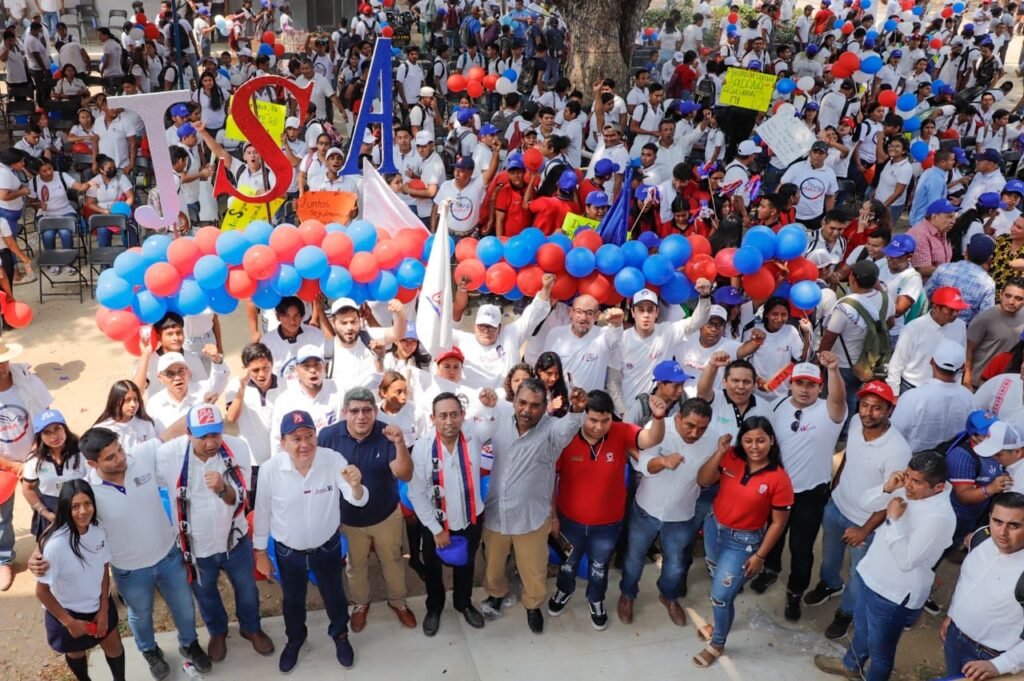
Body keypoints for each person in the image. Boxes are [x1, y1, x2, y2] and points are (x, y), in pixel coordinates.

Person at [815, 451, 955, 681]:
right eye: (907, 476)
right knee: (862, 627)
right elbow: (865, 503)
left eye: (916, 481)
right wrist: (887, 488)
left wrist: (892, 521)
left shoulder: (940, 518)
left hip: (893, 594)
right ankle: (851, 665)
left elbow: (906, 560)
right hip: (871, 574)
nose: (908, 484)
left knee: (880, 650)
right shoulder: (908, 490)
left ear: (938, 487)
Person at [156, 405, 273, 662]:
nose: (210, 443)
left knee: (247, 588)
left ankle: (251, 627)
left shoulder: (237, 448)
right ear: (188, 433)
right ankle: (218, 632)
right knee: (205, 593)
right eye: (202, 437)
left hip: (234, 539)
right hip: (196, 546)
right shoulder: (167, 455)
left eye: (215, 435)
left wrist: (222, 488)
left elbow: (240, 499)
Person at [253, 411, 366, 673]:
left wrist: (356, 485)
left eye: (309, 436)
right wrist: (260, 553)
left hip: (327, 548)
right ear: (283, 442)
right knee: (293, 600)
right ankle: (295, 640)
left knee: (335, 595)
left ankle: (340, 635)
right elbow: (262, 513)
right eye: (296, 439)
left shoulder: (332, 460)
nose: (304, 444)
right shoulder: (270, 470)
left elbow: (356, 498)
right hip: (288, 552)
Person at [549, 389, 667, 629]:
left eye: (605, 420)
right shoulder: (566, 437)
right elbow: (551, 480)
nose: (599, 427)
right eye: (593, 420)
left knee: (599, 567)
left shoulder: (621, 432)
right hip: (570, 521)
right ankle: (564, 590)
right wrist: (553, 516)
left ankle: (596, 599)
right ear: (583, 416)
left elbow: (651, 439)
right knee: (568, 564)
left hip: (608, 524)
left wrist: (658, 417)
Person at [804, 381, 912, 641]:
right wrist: (835, 487)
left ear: (889, 411)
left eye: (877, 408)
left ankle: (847, 612)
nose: (868, 413)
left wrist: (864, 530)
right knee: (830, 555)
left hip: (864, 523)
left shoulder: (898, 451)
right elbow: (847, 458)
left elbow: (894, 499)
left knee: (858, 572)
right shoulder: (854, 422)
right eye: (864, 405)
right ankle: (830, 584)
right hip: (837, 506)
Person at [479, 380, 588, 633]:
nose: (527, 410)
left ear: (544, 406)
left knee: (534, 569)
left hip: (531, 517)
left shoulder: (551, 431)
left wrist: (576, 410)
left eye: (535, 405)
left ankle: (533, 605)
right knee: (494, 564)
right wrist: (485, 405)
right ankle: (496, 594)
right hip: (496, 513)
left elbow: (569, 427)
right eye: (522, 403)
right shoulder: (500, 420)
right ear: (514, 401)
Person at [692, 416, 794, 668]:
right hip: (714, 528)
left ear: (771, 441)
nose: (754, 446)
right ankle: (719, 622)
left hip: (743, 542)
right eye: (748, 440)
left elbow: (778, 523)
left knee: (720, 595)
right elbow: (703, 480)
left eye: (761, 440)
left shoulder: (779, 479)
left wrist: (760, 556)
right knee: (717, 581)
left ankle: (717, 643)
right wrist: (719, 452)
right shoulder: (731, 457)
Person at [755, 355, 846, 622]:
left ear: (820, 387)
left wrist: (833, 369)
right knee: (773, 537)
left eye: (811, 384)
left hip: (811, 494)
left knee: (801, 547)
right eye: (799, 383)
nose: (805, 390)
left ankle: (795, 593)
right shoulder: (777, 406)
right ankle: (770, 571)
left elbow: (839, 398)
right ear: (791, 384)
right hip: (778, 491)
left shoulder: (831, 411)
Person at [317, 387, 416, 632]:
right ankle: (360, 604)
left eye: (367, 410)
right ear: (344, 412)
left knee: (392, 561)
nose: (361, 416)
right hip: (348, 519)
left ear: (374, 411)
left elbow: (404, 474)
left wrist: (400, 443)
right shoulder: (328, 437)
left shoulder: (387, 434)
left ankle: (398, 602)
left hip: (386, 515)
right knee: (355, 566)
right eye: (354, 411)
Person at [618, 397, 718, 624]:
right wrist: (663, 462)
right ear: (678, 417)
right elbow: (644, 465)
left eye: (701, 428)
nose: (695, 433)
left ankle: (669, 596)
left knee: (675, 564)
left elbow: (708, 479)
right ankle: (628, 595)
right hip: (646, 510)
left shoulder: (713, 440)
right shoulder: (659, 429)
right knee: (634, 557)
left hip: (681, 515)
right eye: (690, 425)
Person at [408, 389, 498, 636]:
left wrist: (488, 408)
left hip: (471, 519)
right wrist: (436, 530)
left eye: (454, 414)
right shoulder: (423, 448)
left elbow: (489, 427)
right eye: (443, 416)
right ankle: (434, 608)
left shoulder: (472, 436)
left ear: (462, 415)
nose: (449, 421)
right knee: (433, 568)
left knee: (466, 564)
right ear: (433, 418)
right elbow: (416, 493)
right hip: (435, 523)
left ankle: (463, 603)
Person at [35, 480, 126, 681]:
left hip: (99, 604)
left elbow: (103, 568)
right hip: (68, 611)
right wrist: (69, 622)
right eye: (75, 506)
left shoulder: (98, 530)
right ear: (65, 508)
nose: (83, 511)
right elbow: (41, 591)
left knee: (114, 646)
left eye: (87, 503)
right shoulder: (56, 545)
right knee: (75, 652)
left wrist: (104, 609)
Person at [942, 491, 1024, 679]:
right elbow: (966, 582)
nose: (1002, 533)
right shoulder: (980, 537)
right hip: (954, 636)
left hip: (990, 657)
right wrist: (952, 616)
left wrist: (999, 665)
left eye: (1014, 525)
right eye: (997, 522)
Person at [0, 338, 52, 591]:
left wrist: (34, 453)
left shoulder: (28, 382)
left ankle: (50, 550)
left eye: (3, 361)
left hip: (37, 455)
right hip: (2, 464)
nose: (1, 367)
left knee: (47, 504)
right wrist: (12, 466)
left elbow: (46, 418)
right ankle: (3, 560)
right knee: (1, 515)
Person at [451, 272, 555, 390]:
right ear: (474, 326)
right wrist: (461, 289)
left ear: (500, 328)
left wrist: (546, 288)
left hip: (506, 399)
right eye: (482, 326)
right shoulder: (462, 340)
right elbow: (445, 324)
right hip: (472, 399)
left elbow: (533, 314)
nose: (486, 331)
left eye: (491, 327)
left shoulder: (510, 335)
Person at [224, 342, 284, 500]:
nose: (261, 374)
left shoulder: (285, 385)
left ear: (272, 364)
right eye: (255, 370)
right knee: (254, 509)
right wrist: (242, 388)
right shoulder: (235, 385)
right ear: (245, 369)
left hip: (280, 459)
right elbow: (231, 418)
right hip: (251, 462)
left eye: (266, 368)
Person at [891, 341, 974, 452]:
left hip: (914, 459)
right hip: (953, 459)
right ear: (963, 367)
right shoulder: (970, 399)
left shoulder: (911, 398)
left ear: (931, 361)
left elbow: (894, 434)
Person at [886, 287, 969, 393]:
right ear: (935, 307)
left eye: (958, 310)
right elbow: (897, 364)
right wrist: (894, 393)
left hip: (944, 390)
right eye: (950, 310)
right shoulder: (913, 328)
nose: (955, 314)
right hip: (912, 387)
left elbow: (960, 360)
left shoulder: (960, 326)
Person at [20, 410, 87, 539]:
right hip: (51, 509)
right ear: (40, 436)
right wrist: (45, 513)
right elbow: (27, 489)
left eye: (57, 428)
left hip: (81, 506)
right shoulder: (34, 460)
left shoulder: (82, 453)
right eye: (47, 432)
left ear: (65, 428)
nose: (54, 436)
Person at [543, 294, 625, 392]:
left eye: (589, 313)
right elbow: (545, 367)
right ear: (571, 312)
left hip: (591, 400)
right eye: (579, 312)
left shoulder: (603, 335)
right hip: (559, 399)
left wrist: (617, 324)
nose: (583, 317)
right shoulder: (555, 334)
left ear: (597, 316)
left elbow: (615, 336)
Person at [924, 233, 997, 326]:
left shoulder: (943, 268)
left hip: (934, 323)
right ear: (989, 259)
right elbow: (984, 318)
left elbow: (926, 295)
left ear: (966, 251)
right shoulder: (988, 283)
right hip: (963, 330)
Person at [964, 278, 1024, 388]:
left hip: (1006, 383)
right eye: (1008, 296)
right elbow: (968, 349)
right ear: (1000, 294)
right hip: (979, 382)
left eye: (1018, 298)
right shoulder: (985, 319)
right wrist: (967, 377)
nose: (1011, 301)